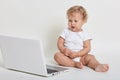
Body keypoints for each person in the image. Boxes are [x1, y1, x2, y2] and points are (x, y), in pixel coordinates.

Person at [54, 5, 109, 72]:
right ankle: (74, 64)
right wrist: (63, 50)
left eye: (75, 21)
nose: (72, 23)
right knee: (57, 56)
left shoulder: (84, 34)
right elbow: (59, 43)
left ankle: (97, 65)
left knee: (90, 57)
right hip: (67, 57)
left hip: (81, 57)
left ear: (83, 21)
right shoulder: (65, 31)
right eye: (70, 20)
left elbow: (87, 48)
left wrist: (77, 54)